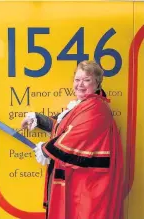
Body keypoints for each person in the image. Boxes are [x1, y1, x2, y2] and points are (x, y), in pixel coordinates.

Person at [21, 60, 124, 219]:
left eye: (86, 80)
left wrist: (45, 150)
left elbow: (73, 138)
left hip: (88, 184)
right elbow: (64, 126)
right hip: (80, 180)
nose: (80, 84)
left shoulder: (96, 108)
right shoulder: (84, 105)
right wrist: (38, 119)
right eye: (77, 79)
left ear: (97, 83)